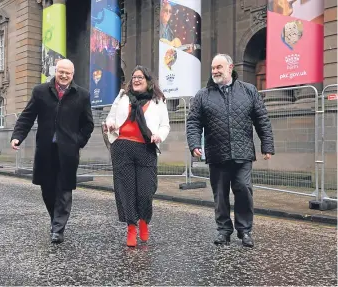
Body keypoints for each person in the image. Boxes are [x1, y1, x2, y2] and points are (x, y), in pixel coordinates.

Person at [186, 54, 275, 248]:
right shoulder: (203, 95)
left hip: (243, 153)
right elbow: (193, 122)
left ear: (230, 68)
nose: (215, 71)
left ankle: (245, 231)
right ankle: (224, 231)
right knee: (220, 194)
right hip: (217, 154)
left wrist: (266, 145)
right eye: (213, 68)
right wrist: (194, 144)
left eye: (219, 67)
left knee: (243, 189)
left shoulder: (249, 90)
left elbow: (262, 119)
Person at [10, 59, 94, 244]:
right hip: (46, 150)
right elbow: (27, 116)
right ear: (56, 71)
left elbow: (88, 124)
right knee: (47, 189)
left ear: (73, 75)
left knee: (64, 190)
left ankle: (58, 229)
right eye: (61, 71)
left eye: (68, 73)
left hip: (68, 152)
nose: (64, 75)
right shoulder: (40, 92)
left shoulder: (82, 95)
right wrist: (17, 136)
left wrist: (77, 142)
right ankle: (55, 219)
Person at [103, 65, 170, 247]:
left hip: (146, 148)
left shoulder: (158, 100)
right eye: (134, 77)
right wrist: (110, 124)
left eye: (140, 77)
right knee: (126, 190)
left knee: (146, 190)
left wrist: (159, 136)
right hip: (122, 146)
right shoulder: (123, 96)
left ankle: (143, 221)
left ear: (148, 81)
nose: (136, 80)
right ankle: (131, 227)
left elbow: (165, 126)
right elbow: (111, 117)